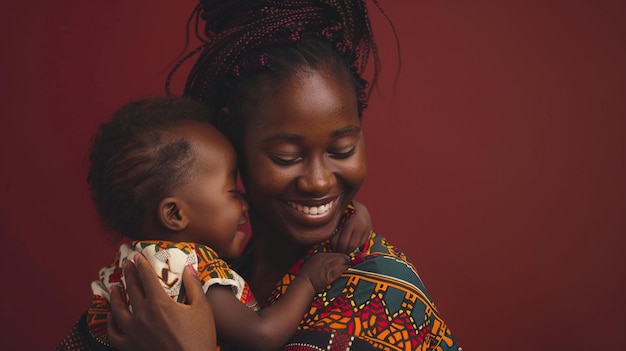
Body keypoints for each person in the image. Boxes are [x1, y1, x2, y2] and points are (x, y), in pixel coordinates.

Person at [108, 0, 460, 350]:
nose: (319, 181)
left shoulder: (381, 295)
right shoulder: (213, 266)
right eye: (286, 156)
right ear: (232, 135)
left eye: (342, 150)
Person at [56, 96, 373, 351]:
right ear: (176, 215)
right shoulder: (188, 271)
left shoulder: (136, 262)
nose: (245, 203)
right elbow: (262, 335)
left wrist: (346, 209)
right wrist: (309, 280)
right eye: (232, 192)